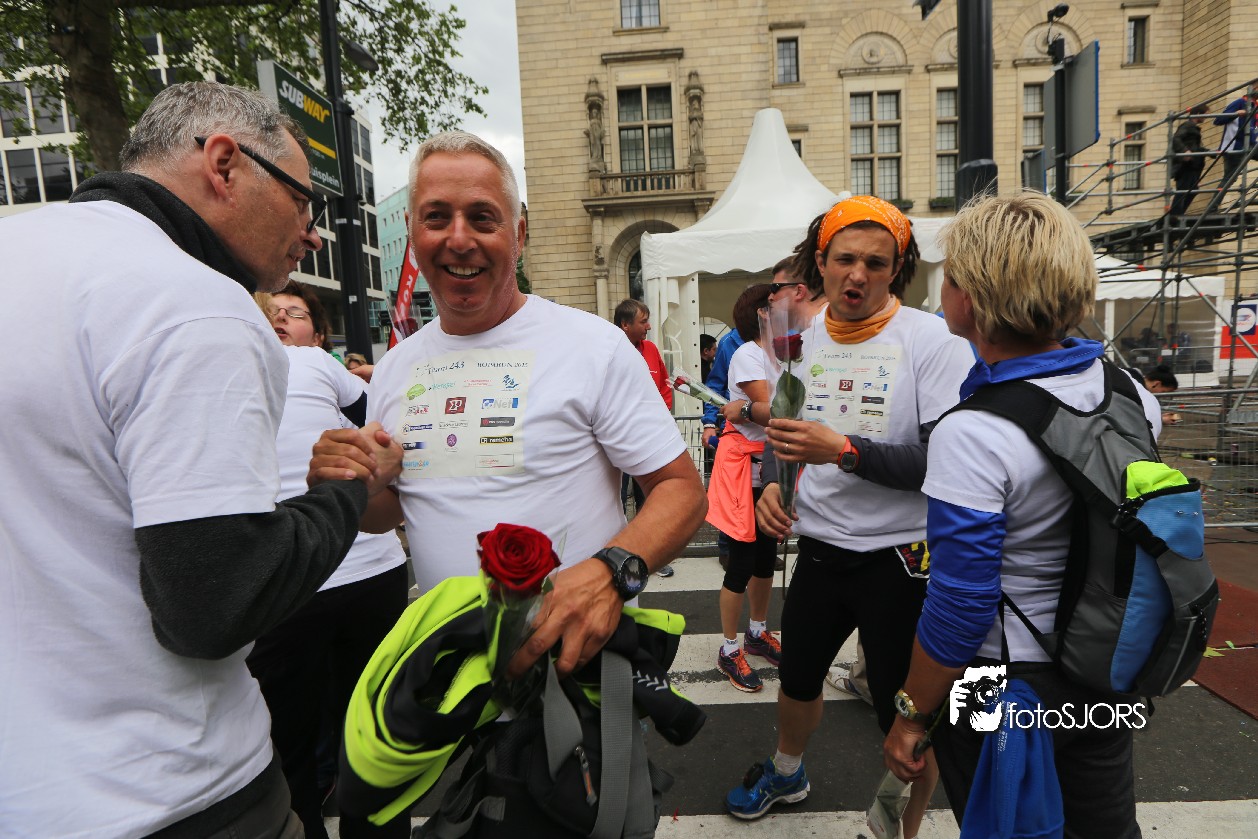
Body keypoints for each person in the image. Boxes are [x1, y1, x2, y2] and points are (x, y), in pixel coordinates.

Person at [0, 81, 402, 836]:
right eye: (303, 201)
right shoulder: (192, 300)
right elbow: (216, 604)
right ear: (224, 164)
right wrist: (344, 488)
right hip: (172, 789)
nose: (313, 234)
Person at [311, 131, 707, 683]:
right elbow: (392, 512)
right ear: (412, 231)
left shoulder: (592, 346)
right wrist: (349, 483)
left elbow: (682, 491)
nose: (459, 239)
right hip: (451, 682)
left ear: (518, 232)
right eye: (436, 217)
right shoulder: (397, 367)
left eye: (482, 218)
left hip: (580, 676)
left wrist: (609, 574)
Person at [883, 191, 1159, 839]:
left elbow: (960, 605)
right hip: (1107, 663)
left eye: (951, 275)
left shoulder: (974, 431)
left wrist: (910, 714)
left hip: (1005, 683)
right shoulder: (1129, 392)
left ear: (973, 298)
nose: (943, 289)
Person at [724, 197, 972, 839]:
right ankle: (787, 771)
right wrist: (773, 488)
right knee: (797, 680)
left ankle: (896, 826)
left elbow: (945, 462)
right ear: (822, 262)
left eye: (876, 263)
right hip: (820, 548)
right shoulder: (800, 342)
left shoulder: (931, 340)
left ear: (897, 270)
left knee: (905, 710)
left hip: (901, 557)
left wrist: (847, 452)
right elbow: (784, 430)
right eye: (845, 259)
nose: (857, 275)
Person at [247, 281, 410, 839]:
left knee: (366, 733)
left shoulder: (313, 362)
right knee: (301, 737)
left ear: (317, 336)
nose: (278, 318)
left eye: (292, 313)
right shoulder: (236, 357)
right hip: (290, 580)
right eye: (270, 310)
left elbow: (378, 417)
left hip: (367, 569)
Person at [706, 283, 782, 692]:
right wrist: (754, 410)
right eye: (779, 306)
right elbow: (780, 411)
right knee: (741, 562)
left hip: (770, 469)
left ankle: (757, 631)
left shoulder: (782, 354)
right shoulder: (747, 355)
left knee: (766, 558)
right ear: (763, 314)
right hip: (742, 470)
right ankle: (729, 648)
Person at [613, 298, 679, 576]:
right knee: (616, 500)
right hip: (618, 440)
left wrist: (658, 417)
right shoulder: (609, 350)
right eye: (643, 322)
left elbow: (664, 385)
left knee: (649, 499)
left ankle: (649, 558)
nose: (649, 327)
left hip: (649, 439)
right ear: (625, 325)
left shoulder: (650, 349)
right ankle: (616, 559)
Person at [1170, 104, 1210, 217]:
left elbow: (1195, 147)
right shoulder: (1187, 125)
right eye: (1205, 115)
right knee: (1183, 190)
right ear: (1198, 114)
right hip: (1186, 165)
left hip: (1192, 165)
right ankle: (1175, 215)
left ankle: (1178, 214)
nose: (1206, 118)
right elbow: (1176, 138)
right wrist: (1185, 151)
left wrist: (1209, 152)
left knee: (1193, 190)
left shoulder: (1192, 127)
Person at [1215, 86, 1258, 183]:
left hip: (1250, 144)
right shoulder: (1239, 102)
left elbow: (1255, 127)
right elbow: (1218, 120)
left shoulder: (1255, 107)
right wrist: (1236, 113)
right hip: (1234, 146)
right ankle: (1218, 194)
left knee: (1230, 178)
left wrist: (1255, 132)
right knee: (1229, 179)